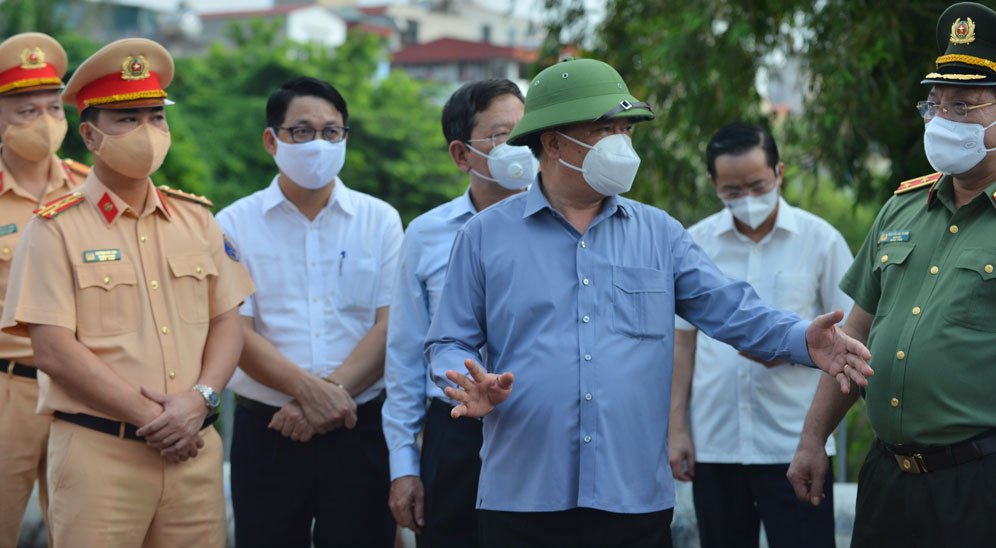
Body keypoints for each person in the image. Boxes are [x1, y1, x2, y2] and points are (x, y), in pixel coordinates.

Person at [423, 57, 873, 548]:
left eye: (626, 129)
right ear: (552, 142)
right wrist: (466, 379)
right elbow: (448, 340)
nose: (621, 141)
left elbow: (731, 309)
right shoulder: (484, 236)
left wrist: (801, 340)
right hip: (523, 495)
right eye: (603, 129)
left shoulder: (660, 233)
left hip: (632, 497)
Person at [0, 37, 254, 547]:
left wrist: (201, 401)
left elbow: (228, 320)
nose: (148, 132)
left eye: (157, 117)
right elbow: (53, 348)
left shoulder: (197, 219)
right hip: (100, 452)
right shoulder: (54, 228)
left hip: (194, 452)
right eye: (127, 120)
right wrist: (158, 420)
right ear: (90, 136)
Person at [787, 1, 996, 547]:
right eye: (936, 104)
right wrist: (813, 439)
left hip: (978, 484)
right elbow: (853, 337)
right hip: (888, 480)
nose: (943, 119)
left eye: (964, 106)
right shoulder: (902, 208)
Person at [216, 76, 404, 548]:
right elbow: (236, 331)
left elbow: (391, 325)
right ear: (272, 139)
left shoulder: (379, 219)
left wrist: (331, 397)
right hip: (270, 430)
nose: (318, 143)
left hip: (359, 426)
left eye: (332, 131)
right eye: (302, 131)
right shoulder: (232, 222)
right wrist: (307, 393)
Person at [668, 122, 853, 548]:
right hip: (718, 444)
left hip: (794, 443)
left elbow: (847, 334)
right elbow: (683, 341)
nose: (747, 200)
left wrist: (786, 350)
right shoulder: (694, 244)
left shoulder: (821, 241)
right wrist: (677, 427)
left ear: (779, 173)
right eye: (732, 191)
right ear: (714, 184)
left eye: (757, 185)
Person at [383, 79, 533, 546]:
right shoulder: (428, 233)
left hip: (538, 423)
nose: (520, 148)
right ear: (461, 155)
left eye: (525, 132)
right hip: (457, 430)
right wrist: (404, 466)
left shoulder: (566, 223)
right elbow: (406, 355)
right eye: (501, 135)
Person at [0, 32, 90, 548]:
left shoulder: (88, 188)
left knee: (81, 531)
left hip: (79, 386)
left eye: (54, 107)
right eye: (26, 110)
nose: (47, 121)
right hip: (1, 389)